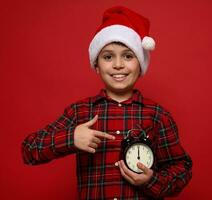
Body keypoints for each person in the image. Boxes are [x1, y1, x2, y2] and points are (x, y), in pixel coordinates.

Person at [22, 6, 192, 199]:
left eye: (128, 56)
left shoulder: (157, 115)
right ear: (96, 65)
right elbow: (29, 149)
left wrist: (151, 180)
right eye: (108, 57)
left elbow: (182, 168)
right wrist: (71, 138)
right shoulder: (81, 112)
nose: (118, 64)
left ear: (141, 64)